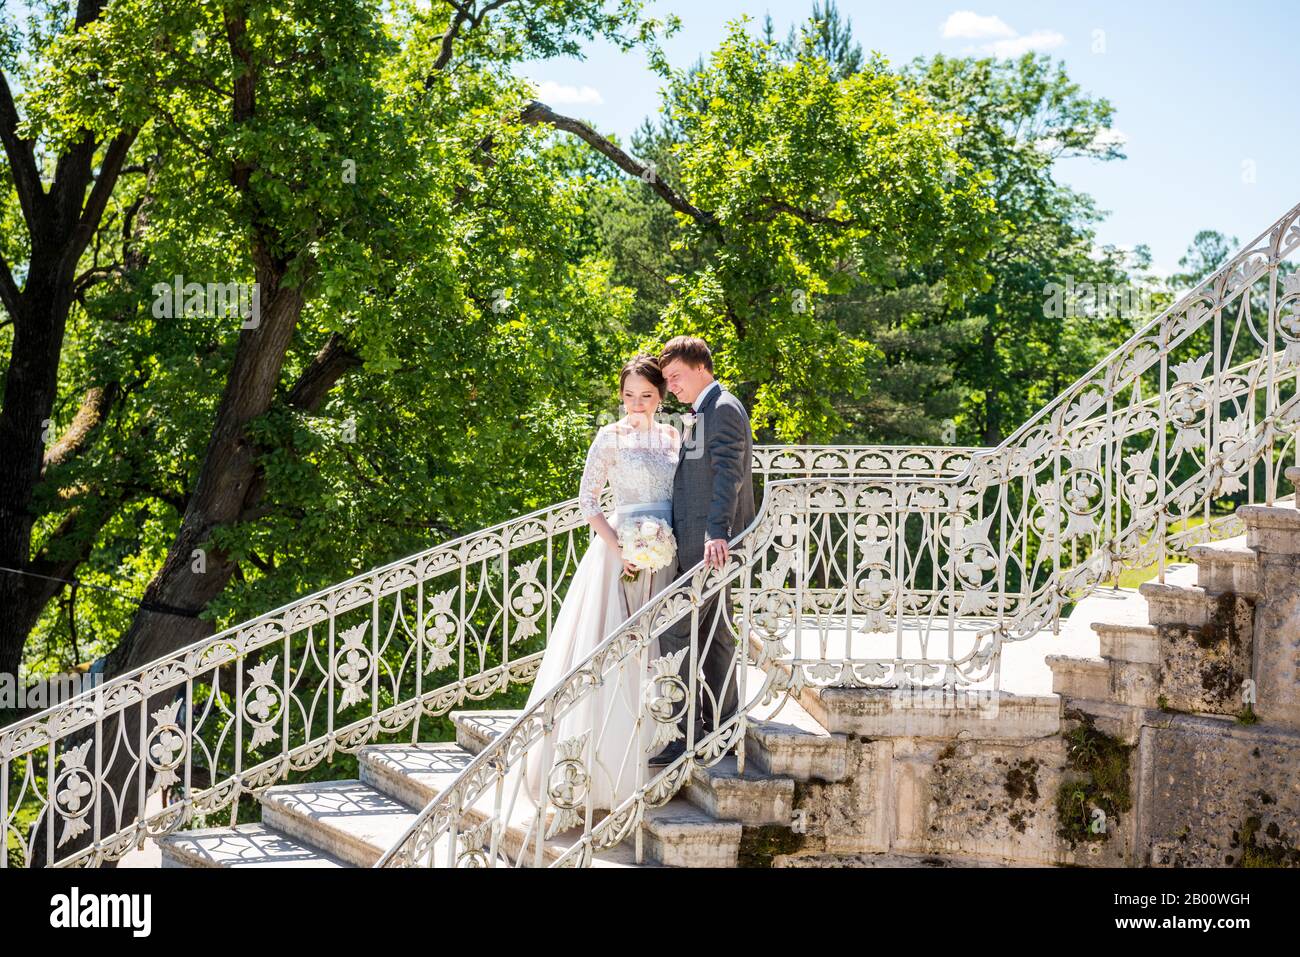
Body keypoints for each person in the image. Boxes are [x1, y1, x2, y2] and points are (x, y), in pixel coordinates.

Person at [509, 354, 681, 817]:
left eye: (646, 395)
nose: (636, 403)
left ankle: (654, 740)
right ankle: (595, 761)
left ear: (661, 396)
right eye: (628, 395)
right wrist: (621, 547)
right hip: (619, 554)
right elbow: (588, 501)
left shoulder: (673, 436)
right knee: (612, 646)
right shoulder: (610, 436)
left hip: (666, 553)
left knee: (656, 647)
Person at [649, 335, 756, 767]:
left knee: (678, 633)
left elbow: (729, 474)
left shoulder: (724, 408)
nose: (671, 386)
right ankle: (722, 727)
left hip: (712, 546)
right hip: (700, 544)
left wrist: (717, 531)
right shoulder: (706, 411)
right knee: (714, 637)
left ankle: (685, 732)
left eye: (675, 377)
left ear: (700, 368)